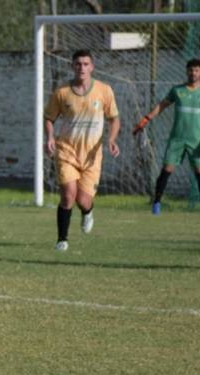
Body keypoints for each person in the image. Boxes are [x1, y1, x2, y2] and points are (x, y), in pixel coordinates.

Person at [44, 49, 120, 251]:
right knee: (68, 194)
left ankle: (88, 212)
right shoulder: (61, 93)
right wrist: (50, 137)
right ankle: (62, 239)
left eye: (86, 64)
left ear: (92, 67)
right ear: (72, 66)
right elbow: (49, 118)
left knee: (83, 200)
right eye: (78, 64)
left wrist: (111, 140)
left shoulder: (104, 90)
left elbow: (114, 119)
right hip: (66, 151)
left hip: (92, 155)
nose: (82, 68)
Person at [132, 58, 200, 216]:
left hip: (197, 142)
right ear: (187, 71)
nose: (193, 73)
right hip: (176, 140)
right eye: (190, 70)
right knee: (166, 170)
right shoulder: (177, 90)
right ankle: (156, 204)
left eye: (196, 70)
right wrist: (146, 119)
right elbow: (161, 106)